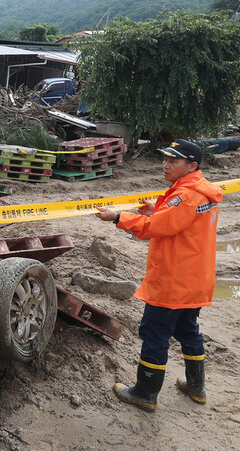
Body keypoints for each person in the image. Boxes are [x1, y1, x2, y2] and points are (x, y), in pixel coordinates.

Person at [95, 140, 222, 412]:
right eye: (164, 159)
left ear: (192, 166)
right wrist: (160, 210)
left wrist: (119, 217)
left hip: (173, 282)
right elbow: (182, 224)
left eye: (173, 161)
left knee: (155, 332)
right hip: (195, 280)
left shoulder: (186, 196)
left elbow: (158, 227)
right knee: (188, 329)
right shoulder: (201, 192)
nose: (165, 165)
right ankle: (196, 387)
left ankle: (145, 393)